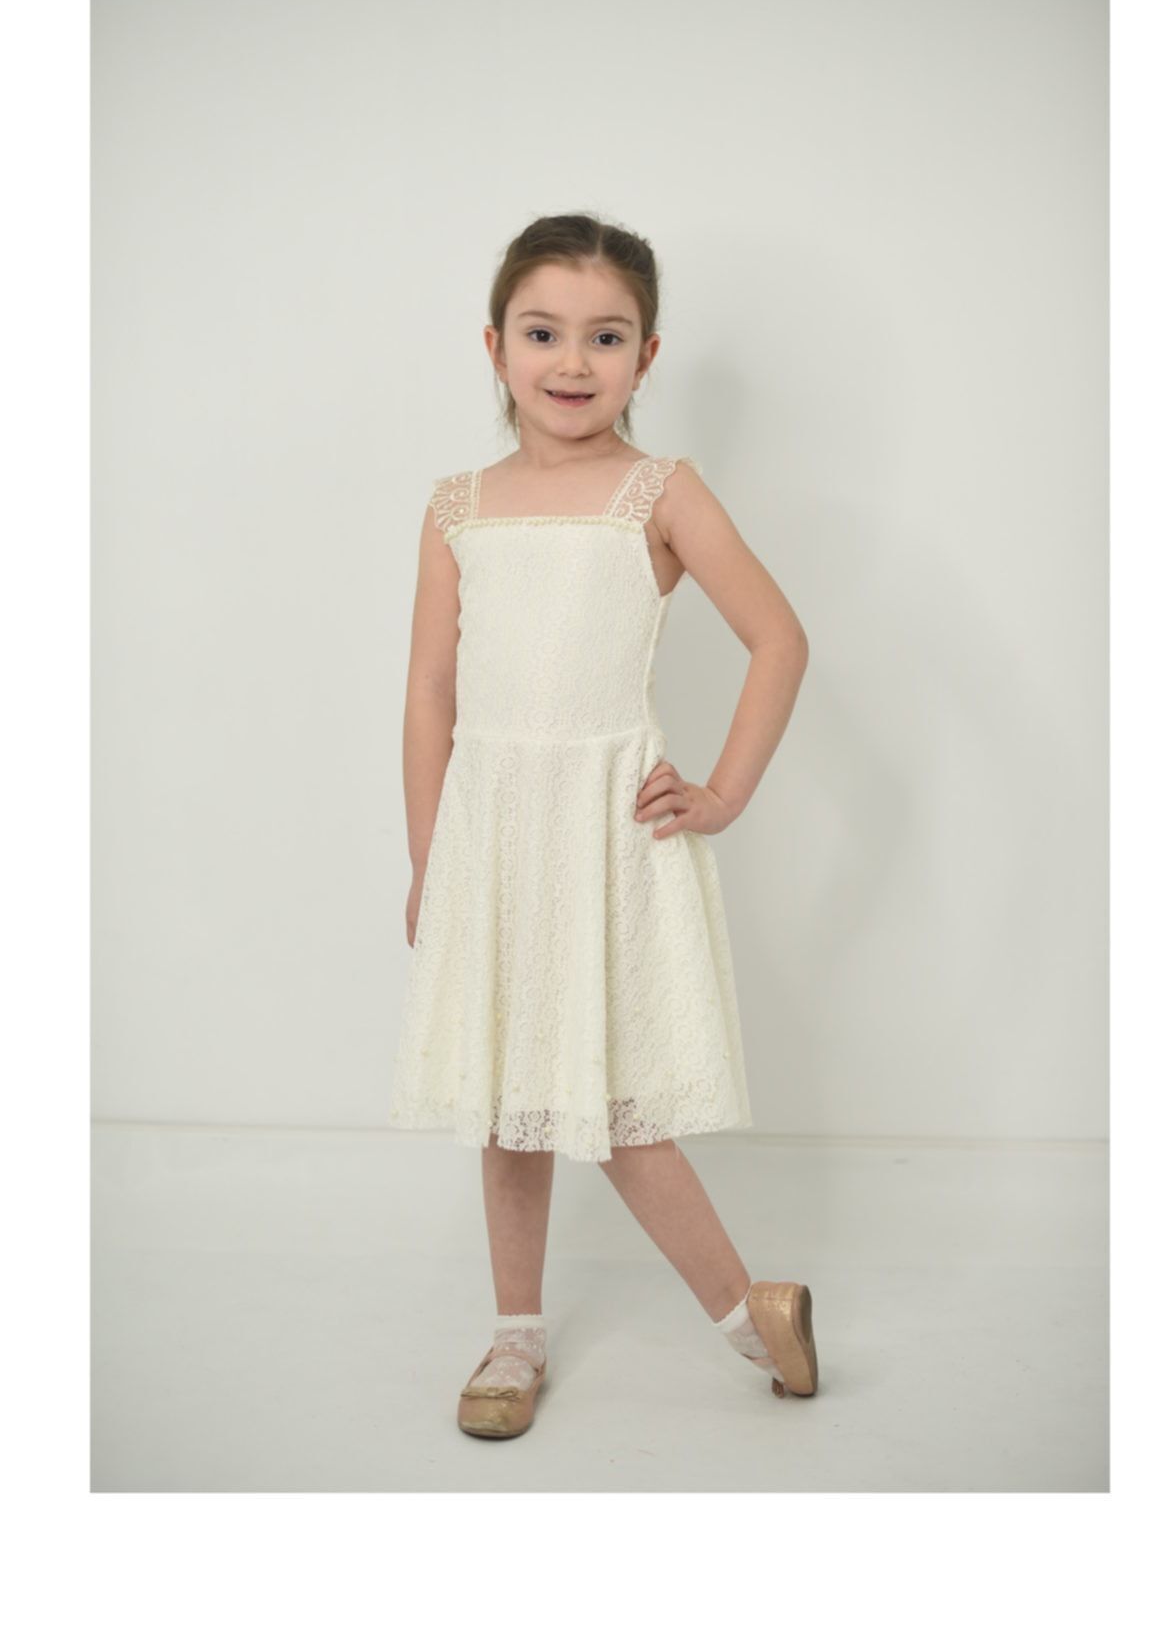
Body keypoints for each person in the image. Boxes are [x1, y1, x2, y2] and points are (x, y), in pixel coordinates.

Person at [388, 212, 818, 1439]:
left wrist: (724, 791)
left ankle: (749, 1316)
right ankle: (515, 1333)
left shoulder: (660, 493)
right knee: (504, 1093)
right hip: (493, 834)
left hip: (606, 836)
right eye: (543, 333)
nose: (572, 361)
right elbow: (429, 692)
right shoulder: (458, 505)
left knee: (621, 1110)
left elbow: (779, 639)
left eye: (606, 336)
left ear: (647, 355)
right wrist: (431, 859)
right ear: (494, 345)